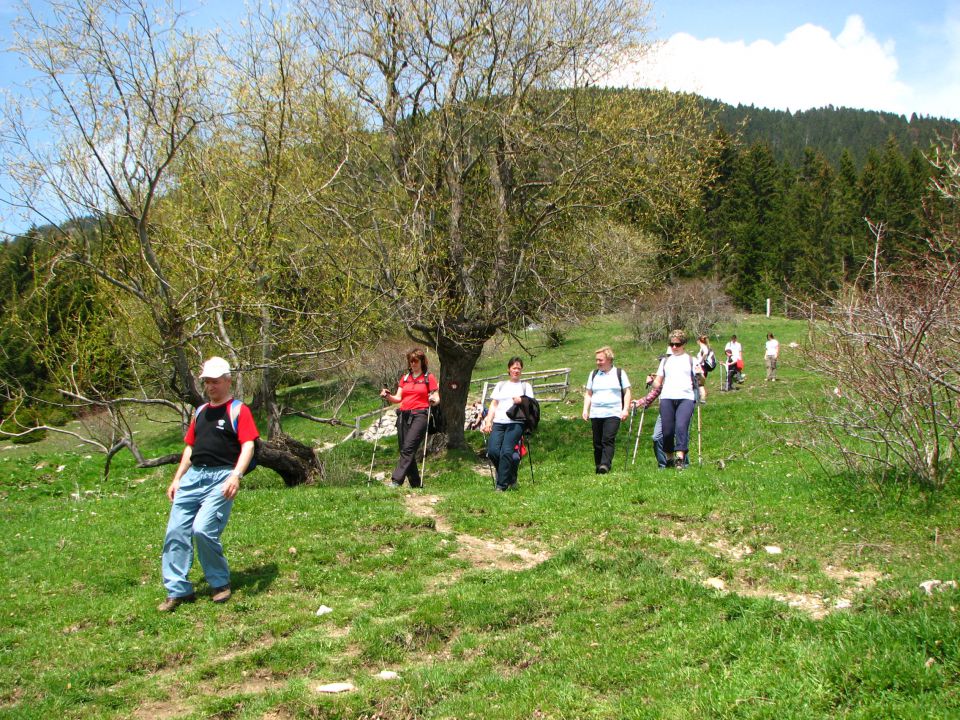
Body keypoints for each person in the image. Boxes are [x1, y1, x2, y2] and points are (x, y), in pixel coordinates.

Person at [159, 356, 259, 612]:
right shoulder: (201, 412)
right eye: (207, 382)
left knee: (203, 529)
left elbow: (248, 444)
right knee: (175, 531)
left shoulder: (238, 410)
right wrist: (177, 478)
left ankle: (219, 582)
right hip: (194, 478)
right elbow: (190, 447)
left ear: (228, 381)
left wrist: (236, 474)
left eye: (215, 382)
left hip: (222, 476)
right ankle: (177, 590)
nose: (210, 387)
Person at [636, 330, 703, 470]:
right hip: (667, 397)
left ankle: (680, 458)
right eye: (671, 344)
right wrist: (651, 381)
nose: (673, 347)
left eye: (677, 344)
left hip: (686, 397)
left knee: (681, 427)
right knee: (667, 431)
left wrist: (699, 374)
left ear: (683, 344)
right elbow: (658, 384)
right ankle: (669, 458)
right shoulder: (666, 361)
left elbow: (701, 381)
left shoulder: (691, 360)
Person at [379, 348, 440, 488]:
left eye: (415, 361)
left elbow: (436, 397)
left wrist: (433, 400)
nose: (413, 364)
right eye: (410, 361)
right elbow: (398, 398)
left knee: (408, 448)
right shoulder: (405, 378)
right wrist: (387, 396)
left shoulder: (428, 377)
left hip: (420, 415)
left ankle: (396, 480)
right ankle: (416, 484)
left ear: (422, 361)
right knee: (405, 450)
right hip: (404, 415)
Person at [482, 357, 534, 491]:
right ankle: (511, 476)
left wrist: (521, 400)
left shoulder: (525, 386)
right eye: (514, 368)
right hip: (499, 422)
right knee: (493, 451)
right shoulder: (500, 385)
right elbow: (494, 404)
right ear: (509, 369)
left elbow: (532, 405)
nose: (516, 370)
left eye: (519, 368)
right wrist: (488, 421)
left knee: (506, 451)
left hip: (516, 422)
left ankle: (501, 486)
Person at [582, 346, 632, 474]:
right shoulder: (593, 374)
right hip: (596, 413)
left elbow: (627, 392)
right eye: (597, 360)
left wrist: (625, 409)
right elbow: (588, 393)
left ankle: (605, 465)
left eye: (600, 360)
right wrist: (585, 410)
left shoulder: (619, 373)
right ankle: (599, 466)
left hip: (613, 412)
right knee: (597, 442)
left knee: (607, 439)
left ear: (609, 359)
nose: (598, 362)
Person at [695, 335, 715, 403]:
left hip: (702, 368)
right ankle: (702, 399)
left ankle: (700, 399)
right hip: (704, 367)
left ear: (698, 341)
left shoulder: (703, 347)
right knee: (700, 384)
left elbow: (705, 352)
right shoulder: (706, 346)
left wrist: (701, 361)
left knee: (699, 383)